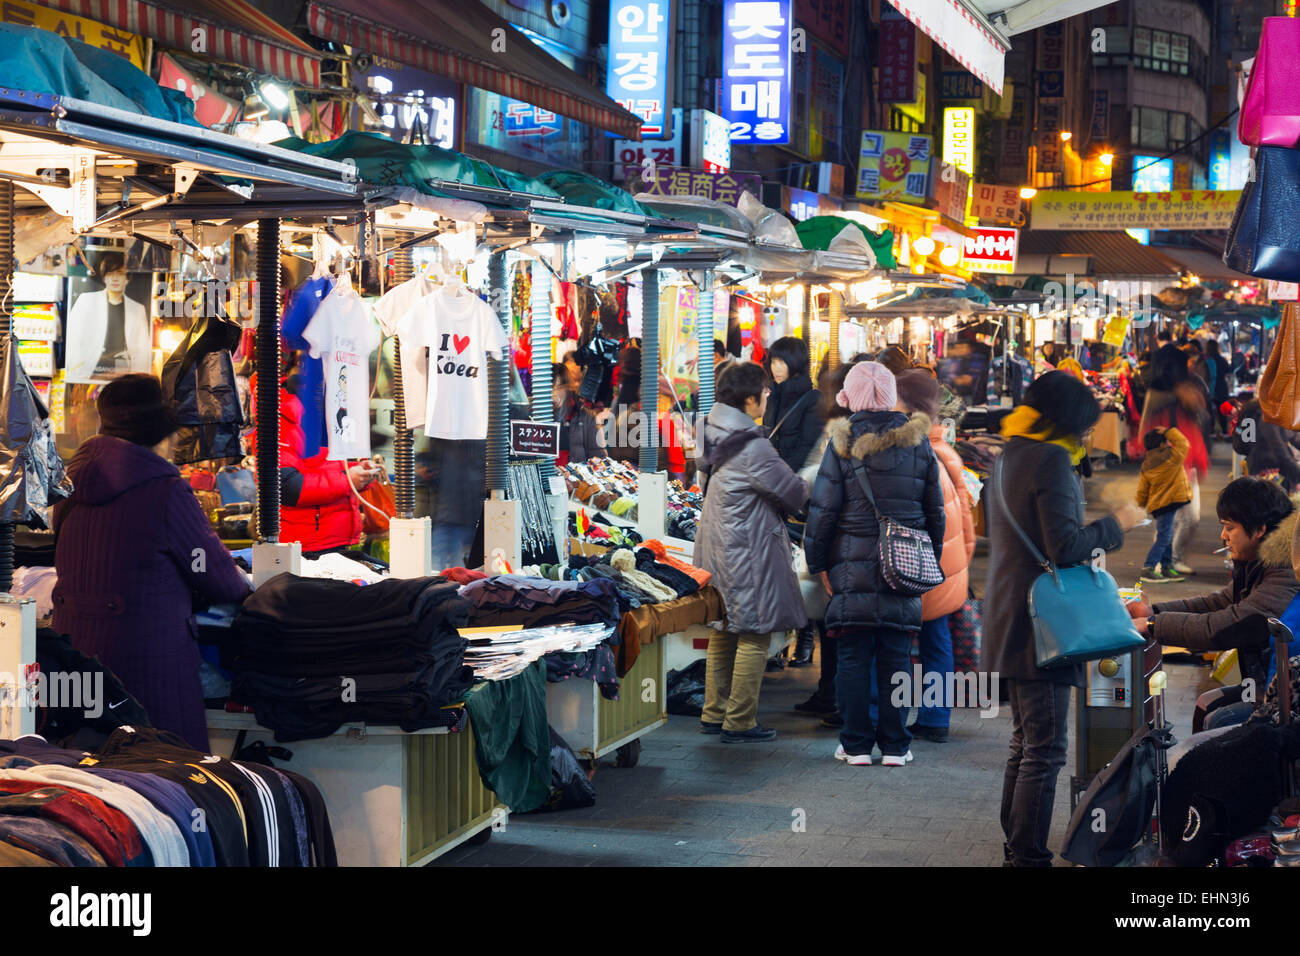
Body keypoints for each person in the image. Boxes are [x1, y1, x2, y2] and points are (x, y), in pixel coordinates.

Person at [984, 371, 1145, 866]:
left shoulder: (1009, 454)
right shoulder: (1051, 460)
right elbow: (1067, 547)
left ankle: (1018, 846)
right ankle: (1027, 856)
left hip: (1010, 614)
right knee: (1045, 749)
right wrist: (1119, 523)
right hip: (1042, 628)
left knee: (1026, 742)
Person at [52, 374, 252, 751]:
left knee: (90, 779)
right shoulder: (165, 490)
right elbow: (219, 580)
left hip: (77, 662)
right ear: (159, 431)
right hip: (148, 662)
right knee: (161, 776)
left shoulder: (69, 484)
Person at [803, 362, 946, 767]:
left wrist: (819, 565)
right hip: (903, 566)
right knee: (897, 658)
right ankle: (897, 747)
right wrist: (927, 559)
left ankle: (856, 745)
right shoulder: (919, 444)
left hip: (850, 568)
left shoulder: (841, 442)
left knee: (852, 659)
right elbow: (934, 510)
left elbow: (823, 511)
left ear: (850, 398)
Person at [695, 362, 810, 743]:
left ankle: (714, 713)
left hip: (718, 541)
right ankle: (740, 721)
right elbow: (792, 493)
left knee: (724, 629)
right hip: (746, 547)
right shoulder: (753, 446)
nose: (769, 394)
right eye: (764, 389)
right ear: (748, 399)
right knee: (755, 632)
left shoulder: (708, 429)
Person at [1128, 478, 1300, 699]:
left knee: (1216, 715)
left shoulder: (1285, 572)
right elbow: (1220, 601)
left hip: (1281, 698)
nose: (1223, 536)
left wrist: (1152, 625)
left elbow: (1228, 624)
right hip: (1264, 685)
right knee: (1208, 703)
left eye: (1230, 527)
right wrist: (1154, 613)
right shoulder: (1259, 563)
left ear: (1259, 529)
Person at [896, 368, 976, 743]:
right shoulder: (945, 449)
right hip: (947, 562)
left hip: (919, 560)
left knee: (897, 639)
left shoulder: (917, 450)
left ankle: (898, 720)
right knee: (936, 638)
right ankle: (935, 718)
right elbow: (967, 514)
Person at [793, 361, 859, 721]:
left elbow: (821, 484)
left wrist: (799, 481)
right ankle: (830, 691)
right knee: (836, 626)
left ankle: (835, 695)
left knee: (835, 626)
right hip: (849, 546)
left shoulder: (841, 432)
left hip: (837, 544)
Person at [1139, 342, 1209, 576]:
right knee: (1168, 519)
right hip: (1167, 466)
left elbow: (1198, 423)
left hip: (1187, 463)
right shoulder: (1158, 396)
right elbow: (1145, 433)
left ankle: (1173, 558)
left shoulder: (1189, 390)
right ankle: (1160, 562)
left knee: (1190, 517)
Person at [65, 252, 152, 382]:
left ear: (127, 278)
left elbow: (143, 347)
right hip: (89, 372)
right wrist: (77, 371)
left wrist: (140, 378)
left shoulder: (137, 309)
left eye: (120, 273)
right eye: (110, 273)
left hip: (125, 375)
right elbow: (73, 338)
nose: (115, 278)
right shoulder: (86, 300)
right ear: (104, 277)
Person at [1136, 426, 1192, 584]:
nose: (1170, 443)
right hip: (1169, 501)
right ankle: (1149, 567)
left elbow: (1143, 487)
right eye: (1168, 441)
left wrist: (1141, 504)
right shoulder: (1172, 456)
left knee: (1167, 534)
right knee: (1164, 536)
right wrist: (1169, 431)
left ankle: (1167, 566)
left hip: (1159, 504)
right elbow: (1183, 444)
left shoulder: (1147, 462)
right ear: (1162, 445)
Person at [763, 336, 823, 473]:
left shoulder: (812, 399)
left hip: (795, 477)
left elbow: (806, 446)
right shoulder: (772, 394)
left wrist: (782, 476)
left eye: (782, 362)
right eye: (773, 362)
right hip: (771, 472)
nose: (776, 368)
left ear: (795, 363)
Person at [1233, 397, 1300, 491]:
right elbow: (1278, 447)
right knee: (1269, 500)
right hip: (1267, 466)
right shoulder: (1269, 413)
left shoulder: (1270, 408)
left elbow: (1292, 435)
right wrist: (1297, 473)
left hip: (1261, 463)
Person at [552, 363, 602, 466]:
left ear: (567, 388)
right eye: (549, 388)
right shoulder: (535, 416)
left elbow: (599, 457)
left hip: (576, 479)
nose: (553, 393)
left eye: (557, 387)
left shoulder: (586, 417)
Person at [1205, 339, 1232, 436]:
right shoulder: (1222, 359)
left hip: (1209, 387)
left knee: (1210, 410)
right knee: (1223, 410)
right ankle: (1224, 432)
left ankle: (1211, 432)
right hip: (1221, 386)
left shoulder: (1205, 360)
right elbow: (1229, 370)